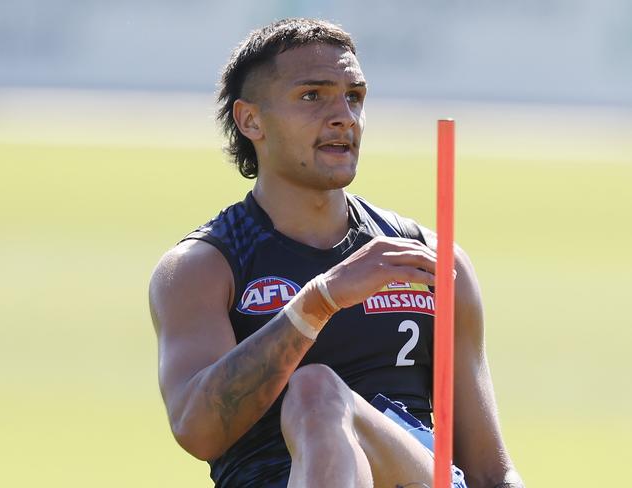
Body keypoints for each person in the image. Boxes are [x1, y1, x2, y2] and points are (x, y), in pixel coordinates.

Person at [149, 18, 524, 488]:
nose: (344, 115)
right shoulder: (203, 267)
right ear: (251, 120)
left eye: (355, 96)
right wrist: (318, 302)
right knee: (316, 395)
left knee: (317, 393)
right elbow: (197, 431)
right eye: (313, 96)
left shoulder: (427, 257)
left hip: (419, 473)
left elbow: (491, 470)